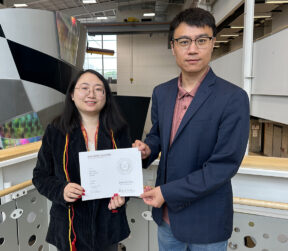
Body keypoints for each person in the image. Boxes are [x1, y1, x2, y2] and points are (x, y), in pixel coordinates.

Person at [133, 7, 250, 251]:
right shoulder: (162, 92)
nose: (193, 49)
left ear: (213, 43)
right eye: (184, 41)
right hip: (166, 220)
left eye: (201, 40)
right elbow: (158, 136)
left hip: (206, 222)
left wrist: (166, 192)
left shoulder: (233, 98)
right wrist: (147, 149)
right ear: (173, 46)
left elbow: (223, 166)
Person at [32, 69, 131, 251]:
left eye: (98, 89)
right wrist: (61, 190)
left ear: (106, 96)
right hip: (69, 227)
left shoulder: (119, 131)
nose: (91, 94)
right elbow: (40, 176)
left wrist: (123, 196)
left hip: (108, 225)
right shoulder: (56, 131)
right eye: (84, 88)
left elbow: (127, 175)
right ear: (72, 94)